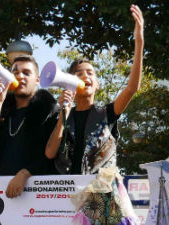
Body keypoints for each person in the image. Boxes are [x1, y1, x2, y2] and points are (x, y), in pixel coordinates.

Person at [46, 4, 145, 175]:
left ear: (97, 84)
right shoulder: (62, 115)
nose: (85, 76)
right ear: (69, 82)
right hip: (66, 194)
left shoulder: (108, 112)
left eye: (90, 73)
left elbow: (131, 88)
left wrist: (139, 41)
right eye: (79, 74)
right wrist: (63, 117)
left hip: (99, 193)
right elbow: (49, 153)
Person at [0, 55, 59, 198]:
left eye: (26, 73)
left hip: (35, 196)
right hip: (0, 194)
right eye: (15, 73)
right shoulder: (4, 109)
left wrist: (25, 173)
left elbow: (52, 155)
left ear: (37, 80)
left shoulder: (49, 110)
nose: (20, 76)